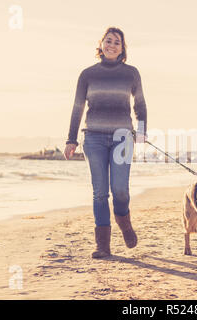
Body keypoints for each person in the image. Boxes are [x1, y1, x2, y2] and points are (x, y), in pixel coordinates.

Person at [64, 27, 147, 259]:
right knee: (100, 192)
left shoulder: (131, 73)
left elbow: (139, 104)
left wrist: (141, 130)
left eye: (117, 42)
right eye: (108, 41)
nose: (112, 45)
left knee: (120, 190)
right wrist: (71, 139)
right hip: (94, 138)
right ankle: (103, 246)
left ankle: (125, 223)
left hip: (122, 138)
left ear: (123, 49)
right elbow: (77, 108)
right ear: (100, 44)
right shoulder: (87, 74)